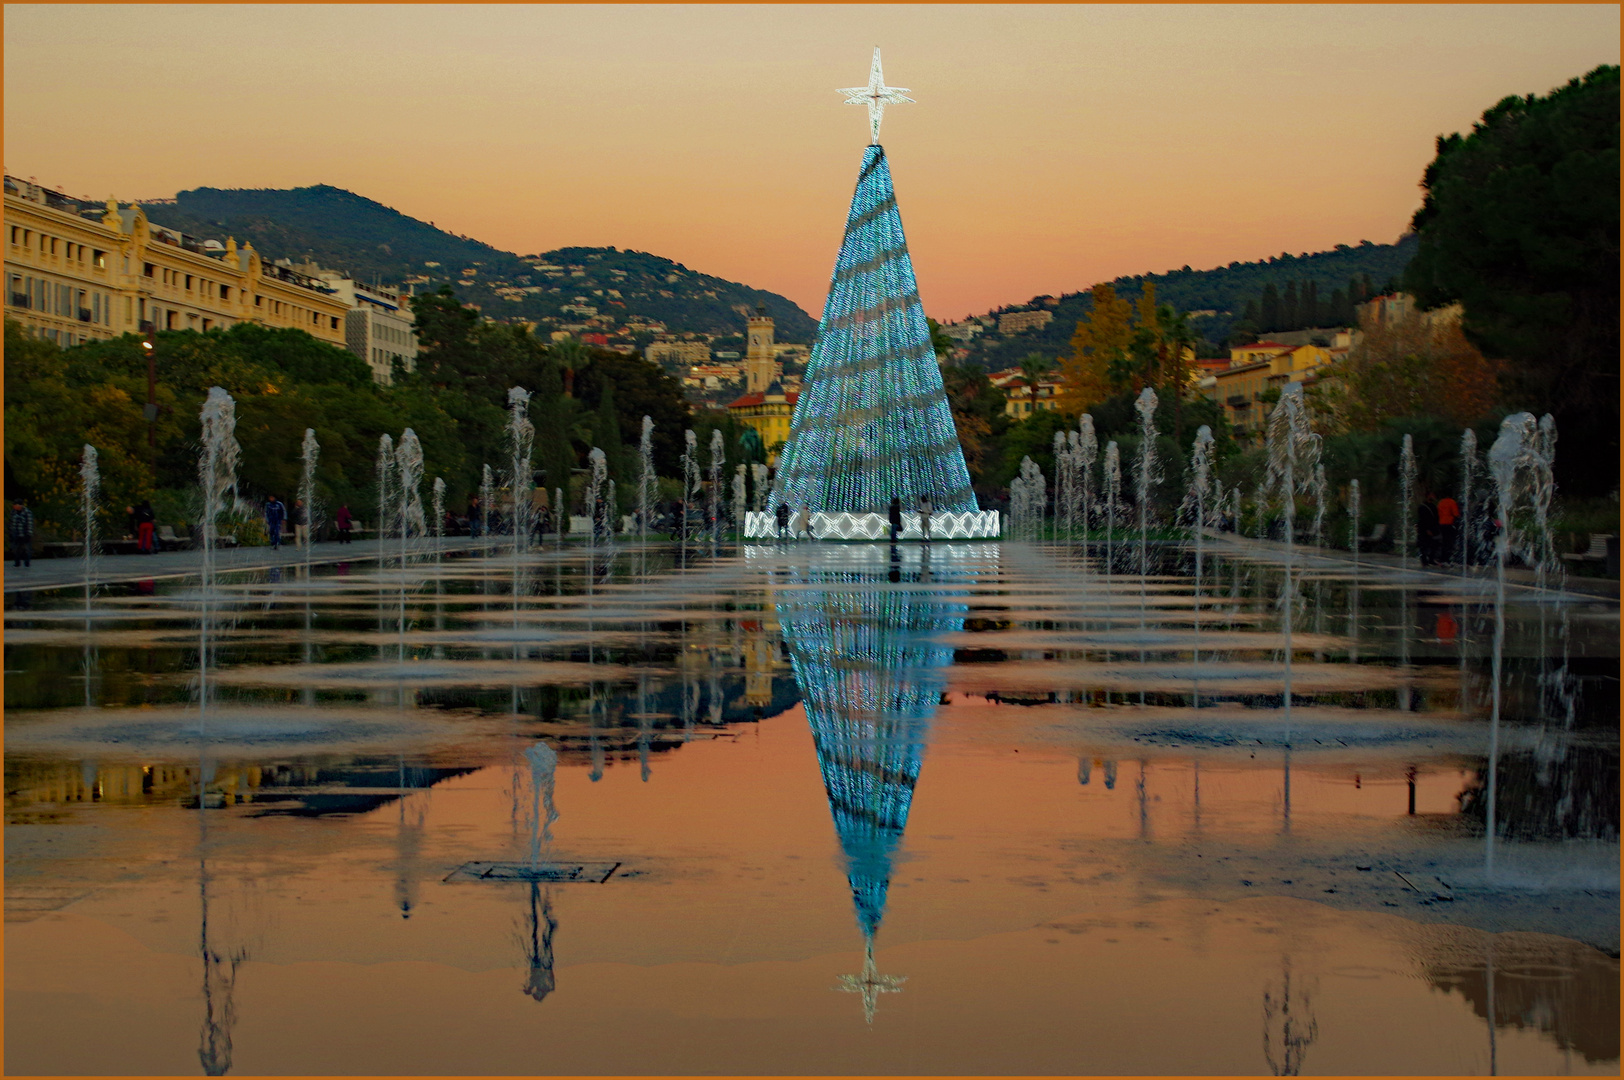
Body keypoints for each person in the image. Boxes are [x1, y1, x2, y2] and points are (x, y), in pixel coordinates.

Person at [1436, 492, 1461, 566]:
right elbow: (1456, 514)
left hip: (1441, 523)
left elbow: (1438, 513)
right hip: (1449, 524)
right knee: (1449, 542)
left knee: (1443, 541)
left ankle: (1442, 558)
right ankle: (1447, 559)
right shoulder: (1452, 502)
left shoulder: (1441, 502)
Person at [1417, 492, 1440, 566]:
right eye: (1432, 495)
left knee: (1434, 544)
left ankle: (1431, 559)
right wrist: (1427, 529)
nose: (1434, 497)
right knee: (1424, 545)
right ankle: (1424, 560)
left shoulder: (1433, 506)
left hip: (1433, 529)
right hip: (1425, 529)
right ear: (1428, 496)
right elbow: (1423, 519)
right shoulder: (1423, 507)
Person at [10, 499, 34, 568]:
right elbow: (11, 523)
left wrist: (28, 534)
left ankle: (27, 562)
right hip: (16, 533)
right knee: (16, 549)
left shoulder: (27, 512)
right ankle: (17, 562)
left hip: (24, 533)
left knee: (26, 549)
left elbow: (30, 524)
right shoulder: (13, 512)